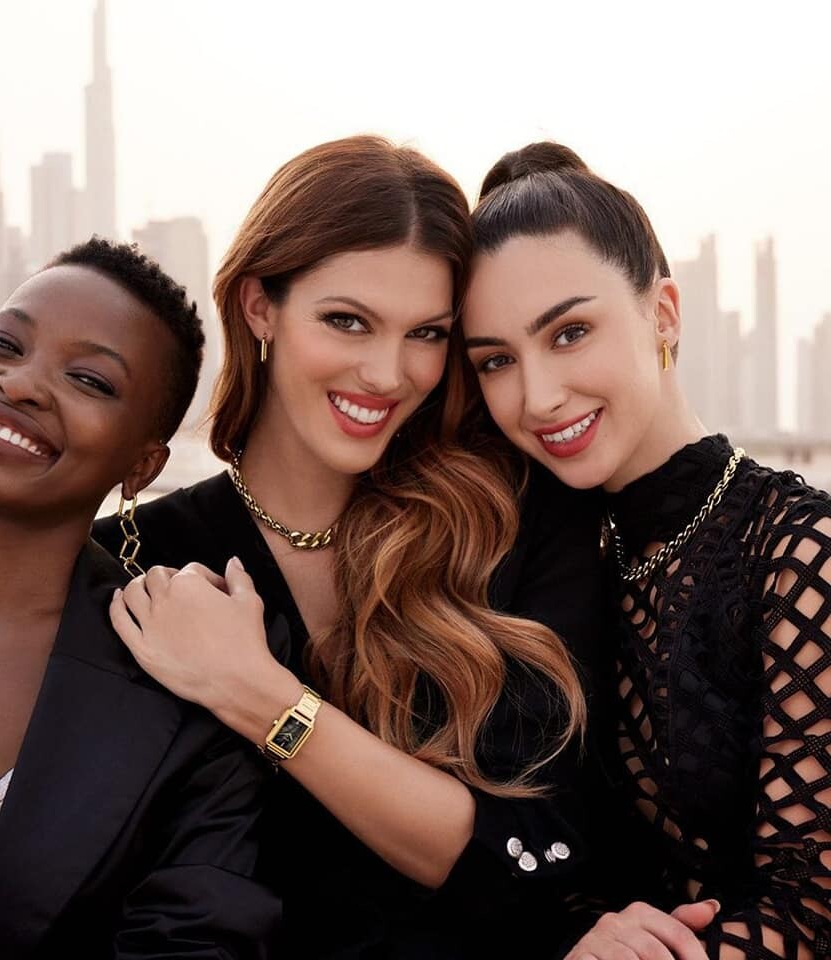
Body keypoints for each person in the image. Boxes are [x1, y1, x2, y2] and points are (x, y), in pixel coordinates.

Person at [93, 135, 713, 959]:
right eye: (347, 321)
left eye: (426, 333)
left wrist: (262, 697)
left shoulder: (509, 523)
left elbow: (533, 847)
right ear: (259, 307)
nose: (388, 374)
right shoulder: (137, 559)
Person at [462, 142, 831, 960]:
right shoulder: (537, 560)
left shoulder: (801, 553)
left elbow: (812, 911)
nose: (537, 396)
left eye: (570, 332)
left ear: (663, 313)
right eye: (496, 360)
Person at [0, 238, 278, 959]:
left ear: (143, 465)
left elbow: (194, 942)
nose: (20, 383)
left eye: (88, 379)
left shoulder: (195, 686)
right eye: (4, 343)